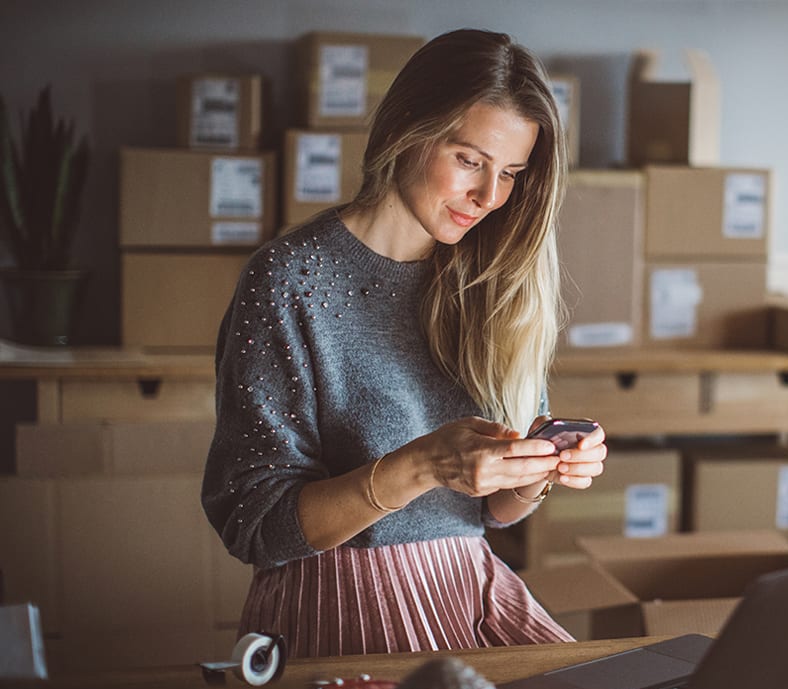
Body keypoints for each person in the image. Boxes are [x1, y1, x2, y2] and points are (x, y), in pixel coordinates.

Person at [202, 28, 605, 657]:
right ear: (405, 129)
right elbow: (254, 525)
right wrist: (420, 466)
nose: (489, 198)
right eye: (470, 160)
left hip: (470, 583)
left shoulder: (491, 280)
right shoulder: (290, 280)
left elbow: (490, 511)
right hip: (337, 600)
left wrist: (539, 471)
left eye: (512, 174)